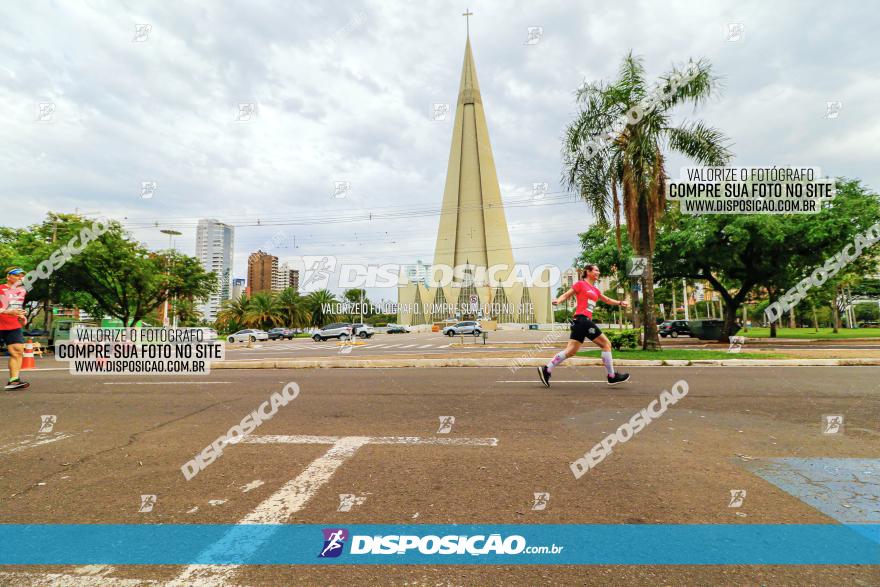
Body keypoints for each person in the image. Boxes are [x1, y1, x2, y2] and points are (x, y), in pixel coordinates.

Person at [539, 264, 630, 387]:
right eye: (596, 270)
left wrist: (620, 302)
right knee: (606, 344)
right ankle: (611, 376)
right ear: (588, 271)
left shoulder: (595, 290)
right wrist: (558, 300)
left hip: (580, 323)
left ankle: (547, 369)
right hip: (582, 320)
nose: (598, 272)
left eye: (599, 271)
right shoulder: (580, 284)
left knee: (570, 351)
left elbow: (607, 300)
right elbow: (566, 294)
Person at [1, 267, 30, 390]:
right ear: (9, 277)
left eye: (22, 276)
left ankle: (14, 381)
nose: (20, 278)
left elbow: (16, 307)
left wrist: (21, 315)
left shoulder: (22, 291)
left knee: (17, 350)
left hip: (12, 324)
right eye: (17, 275)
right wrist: (8, 312)